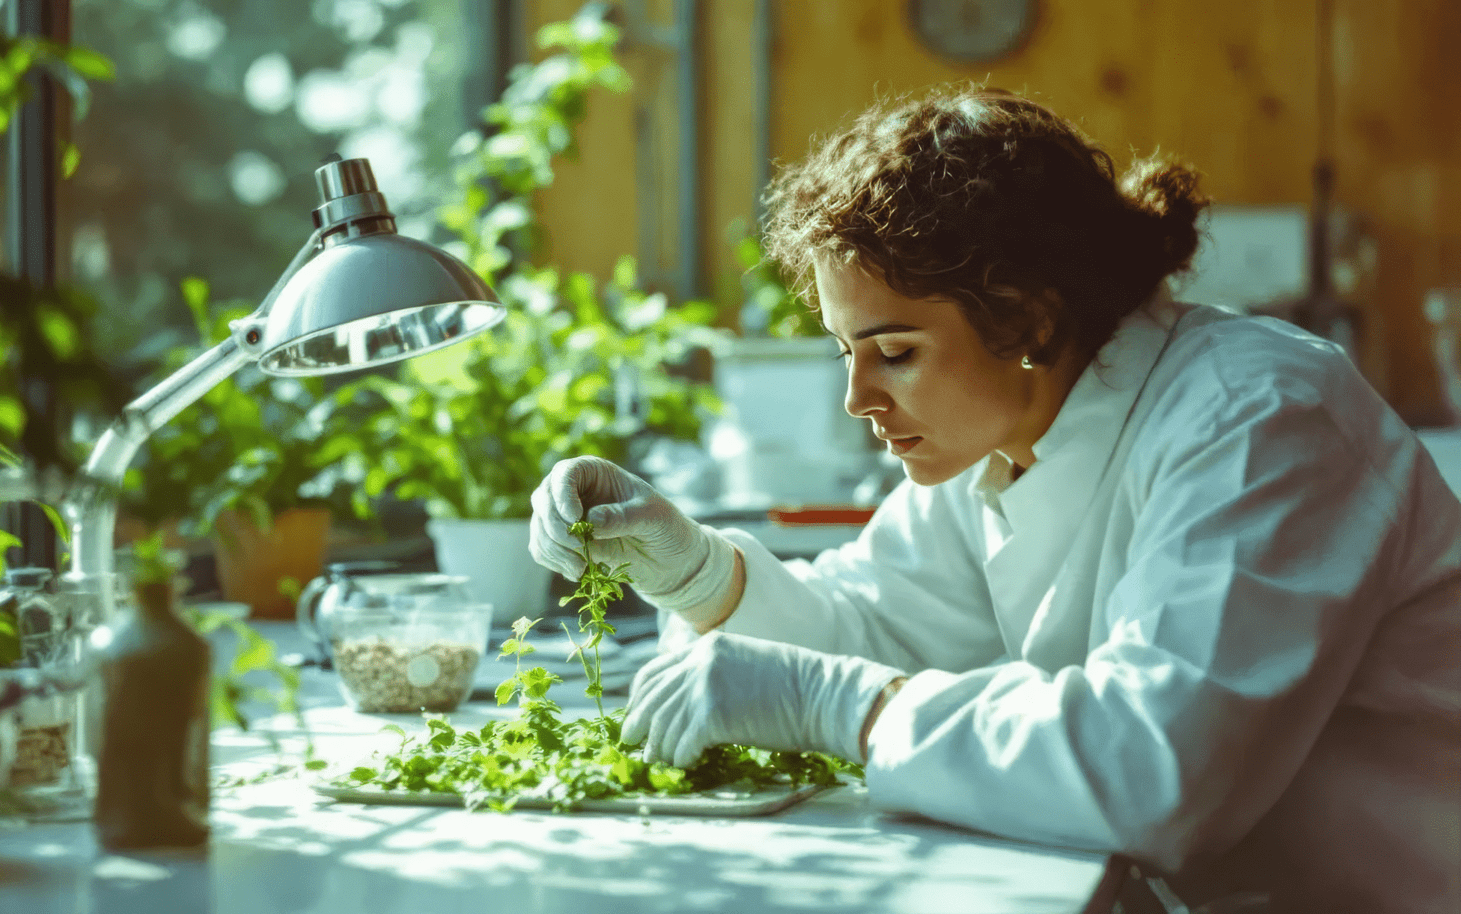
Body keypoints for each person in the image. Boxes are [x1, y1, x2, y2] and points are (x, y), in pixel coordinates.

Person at [528, 87, 1460, 912]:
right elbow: (873, 626)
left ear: (1027, 318)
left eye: (894, 352)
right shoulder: (996, 442)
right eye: (843, 352)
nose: (858, 399)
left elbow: (1158, 770)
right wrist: (698, 575)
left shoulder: (1257, 417)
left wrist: (831, 704)